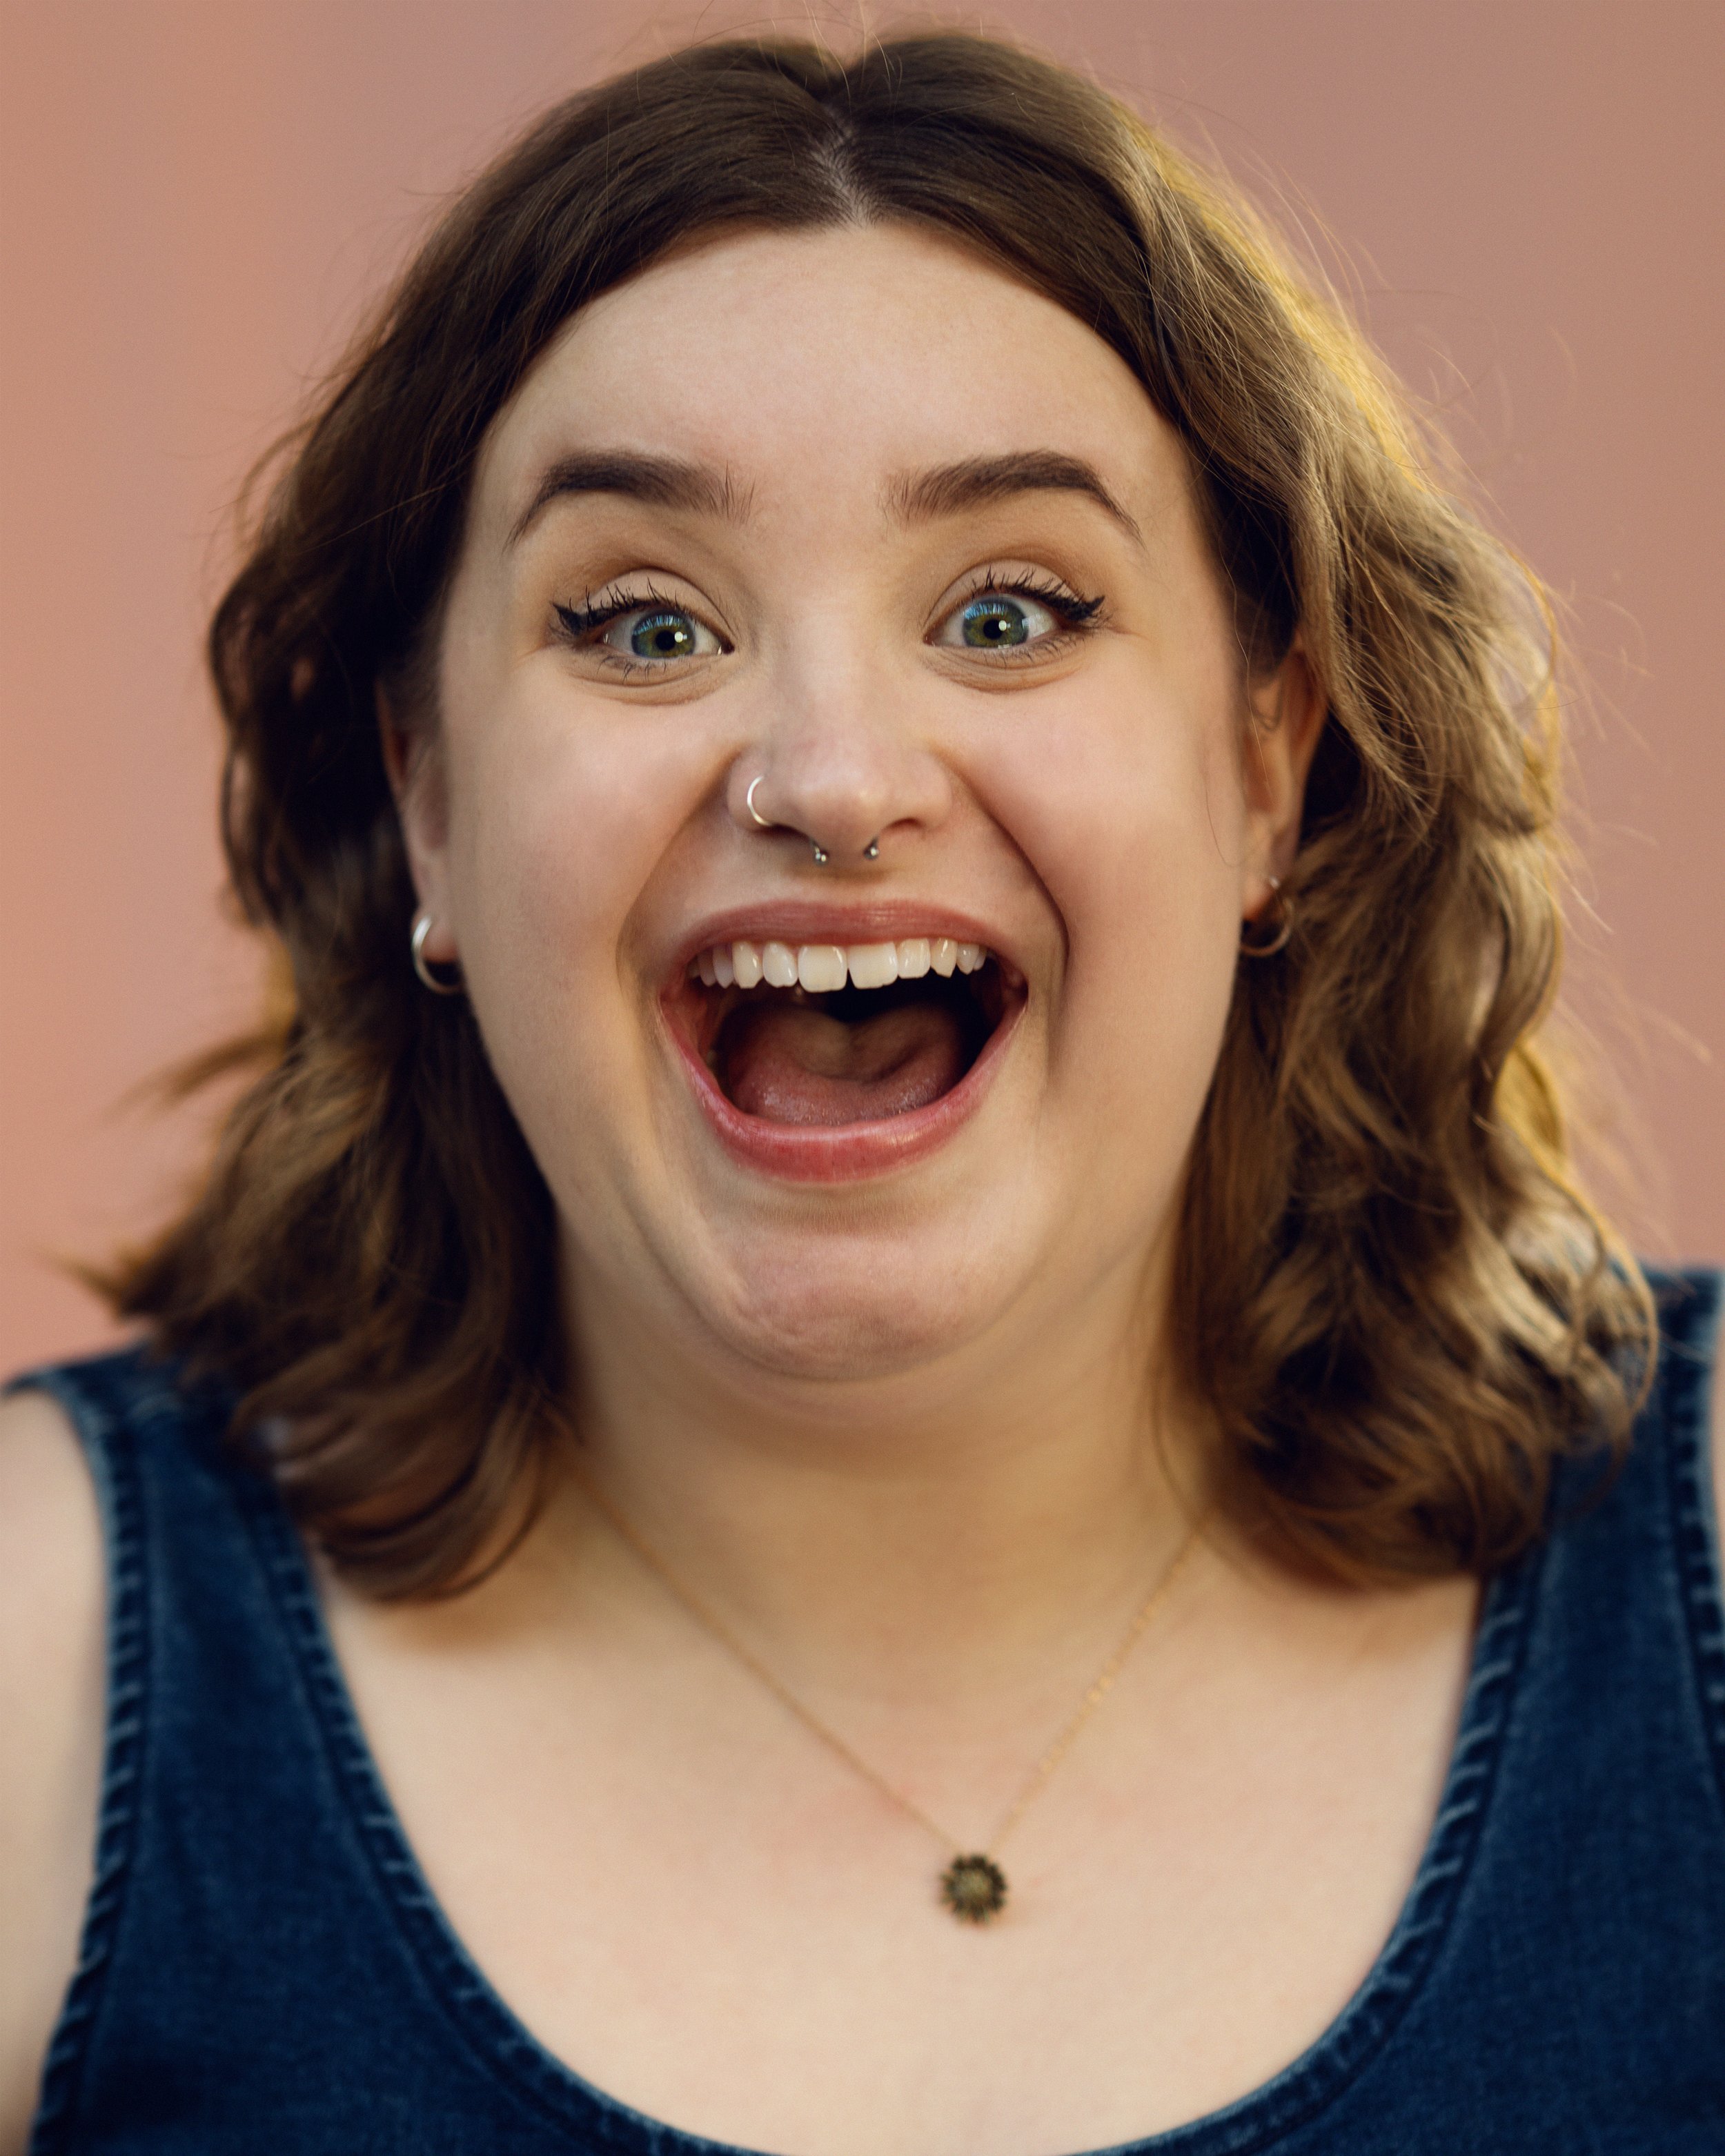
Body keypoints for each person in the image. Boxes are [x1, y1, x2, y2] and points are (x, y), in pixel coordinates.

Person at [1, 30, 1719, 2155]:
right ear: (427, 797)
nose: (826, 775)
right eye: (639, 628)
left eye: (1009, 609)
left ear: (1267, 765)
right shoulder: (47, 1668)